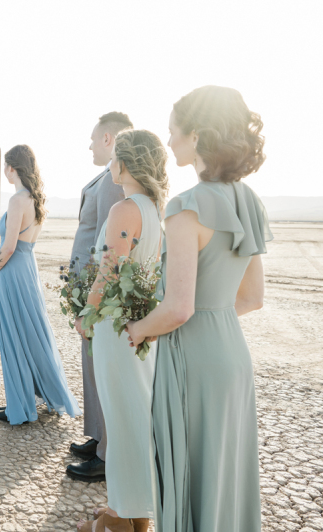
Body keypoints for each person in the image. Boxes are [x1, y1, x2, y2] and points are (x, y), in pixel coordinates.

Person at [126, 86, 269, 532]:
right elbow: (252, 298)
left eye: (173, 132)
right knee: (225, 475)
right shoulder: (249, 202)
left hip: (192, 358)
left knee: (187, 474)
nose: (168, 142)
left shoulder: (185, 208)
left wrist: (138, 330)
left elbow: (179, 309)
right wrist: (215, 314)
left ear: (197, 135)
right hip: (232, 356)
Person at [74, 130, 168, 532]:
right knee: (134, 418)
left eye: (114, 156)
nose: (109, 162)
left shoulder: (125, 210)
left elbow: (108, 270)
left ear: (124, 164)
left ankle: (125, 516)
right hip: (140, 326)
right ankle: (130, 510)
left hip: (117, 328)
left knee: (122, 418)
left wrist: (86, 315)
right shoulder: (152, 208)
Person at [0, 145, 80, 425]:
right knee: (31, 332)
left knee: (14, 335)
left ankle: (21, 403)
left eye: (6, 166)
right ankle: (36, 395)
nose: (4, 171)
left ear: (12, 168)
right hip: (27, 269)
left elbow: (9, 246)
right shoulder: (36, 200)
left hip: (12, 271)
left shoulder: (18, 200)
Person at [67, 111, 132, 483]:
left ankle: (107, 450)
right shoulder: (104, 174)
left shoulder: (112, 180)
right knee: (91, 366)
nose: (89, 145)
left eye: (93, 138)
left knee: (100, 367)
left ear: (108, 138)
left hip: (97, 286)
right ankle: (98, 436)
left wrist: (91, 292)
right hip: (86, 283)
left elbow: (108, 241)